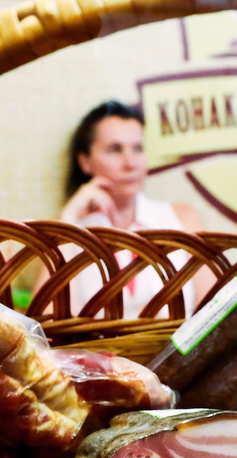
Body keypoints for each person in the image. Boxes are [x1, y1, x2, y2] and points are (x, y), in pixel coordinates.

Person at [59, 100, 212, 317]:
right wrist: (69, 217)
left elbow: (217, 311)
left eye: (138, 148)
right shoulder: (66, 228)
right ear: (85, 162)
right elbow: (47, 325)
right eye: (115, 149)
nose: (130, 163)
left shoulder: (183, 219)